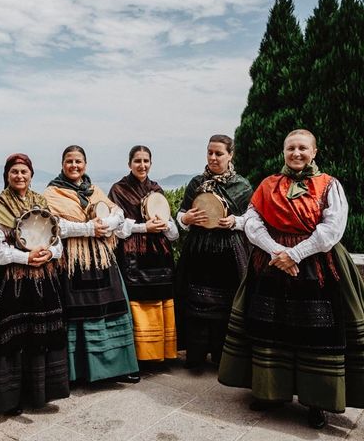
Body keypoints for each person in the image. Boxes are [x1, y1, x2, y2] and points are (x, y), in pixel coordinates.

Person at [218, 129, 364, 429]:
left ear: (314, 151)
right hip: (271, 265)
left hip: (317, 268)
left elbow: (332, 229)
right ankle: (270, 391)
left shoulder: (329, 185)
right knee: (269, 328)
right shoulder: (268, 184)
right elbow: (253, 222)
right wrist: (276, 252)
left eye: (302, 148)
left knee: (316, 332)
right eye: (290, 148)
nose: (296, 153)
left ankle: (317, 402)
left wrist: (295, 254)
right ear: (283, 152)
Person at [0, 153, 69, 415]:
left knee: (39, 335)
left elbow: (57, 241)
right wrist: (27, 257)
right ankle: (10, 399)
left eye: (24, 172)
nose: (19, 176)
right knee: (13, 338)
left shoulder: (41, 202)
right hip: (9, 284)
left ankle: (39, 393)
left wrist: (49, 254)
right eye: (14, 171)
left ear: (31, 175)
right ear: (7, 175)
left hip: (42, 281)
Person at [44, 145, 139, 383]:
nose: (74, 166)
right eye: (69, 161)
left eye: (78, 161)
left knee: (113, 308)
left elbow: (117, 213)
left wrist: (107, 223)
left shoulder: (94, 189)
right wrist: (88, 229)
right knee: (78, 314)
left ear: (85, 164)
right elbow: (53, 225)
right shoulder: (52, 193)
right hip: (74, 262)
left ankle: (118, 366)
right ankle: (79, 371)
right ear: (62, 164)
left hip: (103, 258)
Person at [175, 134, 252, 368]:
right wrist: (186, 218)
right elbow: (180, 213)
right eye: (210, 152)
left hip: (229, 253)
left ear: (231, 155)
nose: (213, 157)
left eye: (219, 153)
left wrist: (235, 222)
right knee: (195, 305)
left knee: (226, 307)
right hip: (198, 252)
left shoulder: (243, 186)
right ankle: (196, 355)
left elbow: (252, 218)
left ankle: (222, 356)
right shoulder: (196, 183)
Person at [108, 145, 179, 365]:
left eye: (146, 161)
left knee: (161, 300)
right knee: (137, 303)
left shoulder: (157, 190)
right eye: (137, 161)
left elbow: (173, 231)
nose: (142, 165)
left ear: (151, 163)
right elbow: (118, 229)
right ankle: (139, 356)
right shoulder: (118, 189)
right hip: (132, 256)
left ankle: (162, 353)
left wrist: (165, 225)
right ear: (129, 163)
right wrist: (143, 227)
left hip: (160, 255)